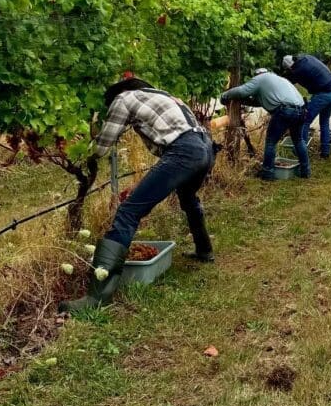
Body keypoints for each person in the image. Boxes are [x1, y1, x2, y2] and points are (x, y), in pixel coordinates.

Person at [60, 77, 215, 313]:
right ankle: (204, 250)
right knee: (188, 198)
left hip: (184, 151)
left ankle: (97, 297)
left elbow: (103, 146)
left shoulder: (123, 98)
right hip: (205, 146)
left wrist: (84, 155)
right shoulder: (164, 95)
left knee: (128, 211)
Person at [221, 69, 310, 180]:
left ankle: (268, 173)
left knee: (271, 142)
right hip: (301, 110)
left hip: (285, 111)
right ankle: (305, 171)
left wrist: (225, 95)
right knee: (298, 140)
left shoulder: (260, 79)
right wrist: (243, 101)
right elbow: (259, 102)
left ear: (257, 75)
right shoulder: (279, 79)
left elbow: (242, 91)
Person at [282, 53, 331, 159]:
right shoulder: (306, 57)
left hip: (324, 94)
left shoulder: (297, 71)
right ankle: (325, 153)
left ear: (290, 67)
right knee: (324, 122)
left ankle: (300, 152)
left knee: (304, 121)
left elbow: (287, 82)